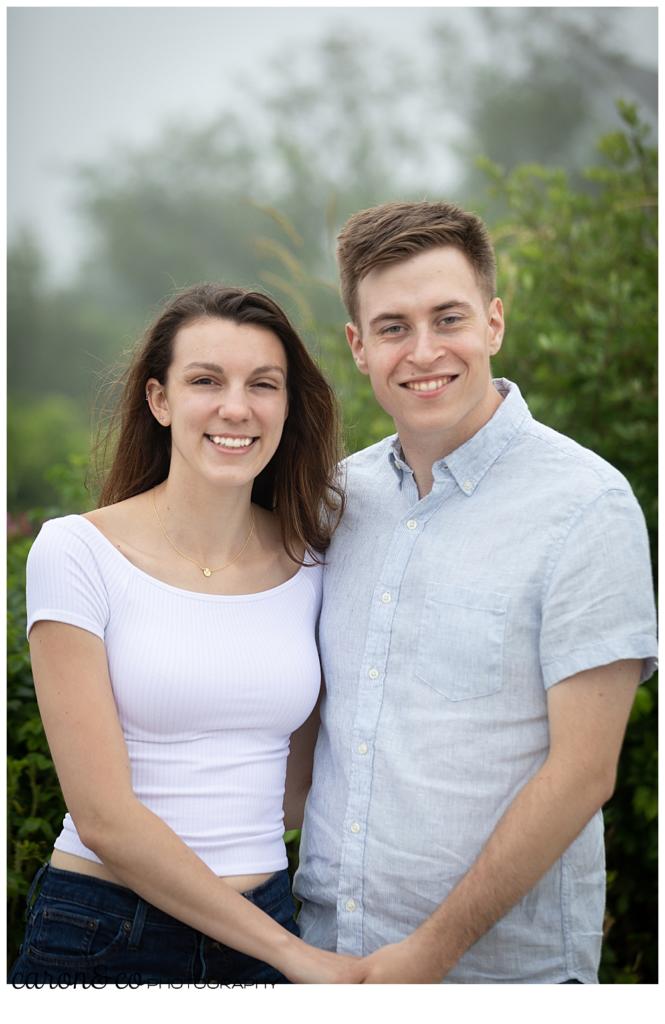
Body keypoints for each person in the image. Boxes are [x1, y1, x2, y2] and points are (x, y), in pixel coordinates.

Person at [293, 200, 658, 984]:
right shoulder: (337, 502)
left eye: (446, 318)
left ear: (493, 322)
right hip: (327, 955)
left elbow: (583, 772)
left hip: (499, 977)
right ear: (358, 346)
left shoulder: (584, 507)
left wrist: (430, 953)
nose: (422, 351)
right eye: (392, 327)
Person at [9, 283, 366, 986]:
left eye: (262, 384)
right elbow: (104, 816)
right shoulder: (76, 553)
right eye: (206, 380)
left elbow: (299, 787)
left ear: (287, 405)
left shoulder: (316, 565)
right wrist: (293, 955)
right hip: (106, 929)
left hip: (264, 917)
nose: (236, 407)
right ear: (159, 400)